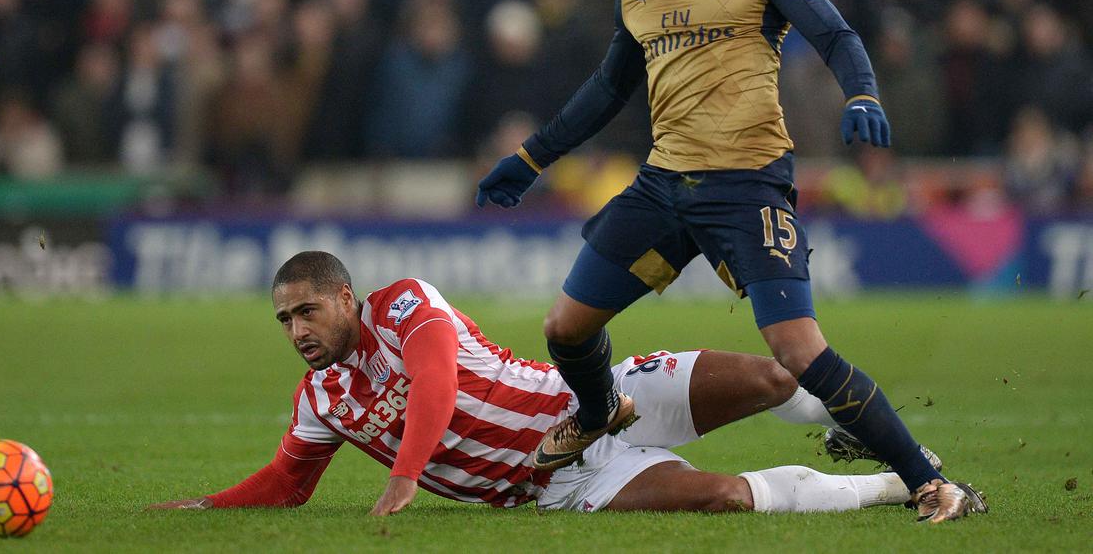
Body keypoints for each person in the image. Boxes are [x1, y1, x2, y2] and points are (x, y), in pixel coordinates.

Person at [473, 0, 985, 523]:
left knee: (796, 349)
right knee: (565, 327)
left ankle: (929, 482)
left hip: (746, 187)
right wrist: (531, 158)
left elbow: (834, 35)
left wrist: (862, 96)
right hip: (662, 188)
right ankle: (599, 412)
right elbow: (606, 92)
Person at [149, 251, 934, 516]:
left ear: (346, 298)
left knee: (770, 373)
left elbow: (432, 381)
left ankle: (890, 446)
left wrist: (405, 473)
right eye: (284, 320)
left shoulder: (405, 305)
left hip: (592, 401)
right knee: (724, 498)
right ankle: (895, 491)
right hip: (556, 481)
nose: (297, 332)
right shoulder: (321, 400)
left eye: (307, 311)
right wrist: (201, 507)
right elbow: (287, 484)